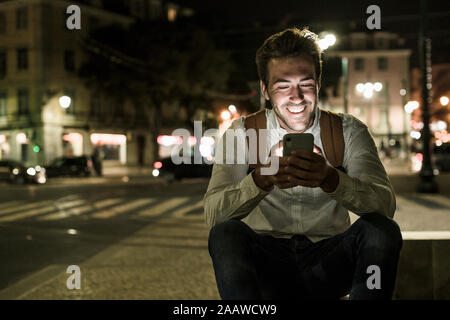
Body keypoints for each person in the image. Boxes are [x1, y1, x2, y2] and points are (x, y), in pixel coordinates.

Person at [204, 28, 402, 300]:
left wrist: (331, 180)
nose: (296, 96)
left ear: (318, 82)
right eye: (283, 85)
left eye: (305, 83)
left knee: (382, 231)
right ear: (264, 89)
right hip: (267, 265)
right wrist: (261, 179)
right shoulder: (242, 133)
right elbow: (213, 216)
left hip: (329, 262)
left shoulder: (348, 130)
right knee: (225, 233)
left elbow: (385, 205)